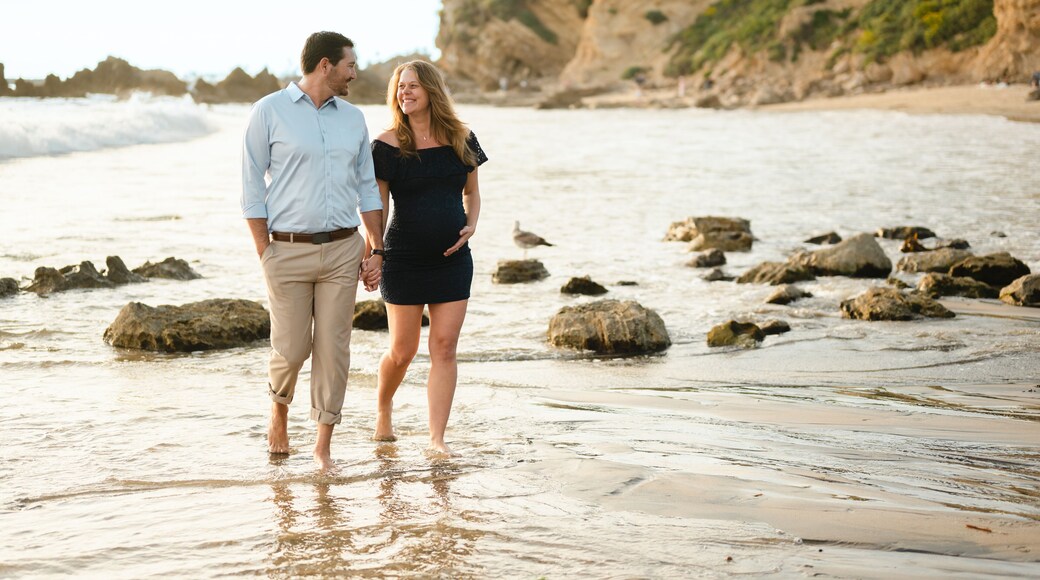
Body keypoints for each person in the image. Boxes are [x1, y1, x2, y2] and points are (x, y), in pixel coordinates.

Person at [241, 31, 384, 470]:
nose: (355, 73)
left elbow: (367, 188)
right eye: (350, 65)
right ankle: (279, 413)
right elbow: (251, 188)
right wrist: (265, 251)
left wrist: (377, 249)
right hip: (286, 250)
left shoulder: (353, 118)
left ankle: (323, 445)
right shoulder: (269, 111)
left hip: (344, 249)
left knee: (333, 348)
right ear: (325, 65)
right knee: (291, 348)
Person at [369, 60, 487, 455]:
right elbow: (376, 207)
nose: (405, 93)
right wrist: (376, 252)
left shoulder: (462, 139)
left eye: (414, 86)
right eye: (401, 87)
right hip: (403, 259)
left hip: (453, 259)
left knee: (445, 346)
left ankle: (437, 438)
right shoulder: (386, 146)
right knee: (403, 350)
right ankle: (384, 407)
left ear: (432, 91)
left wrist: (471, 224)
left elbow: (471, 193)